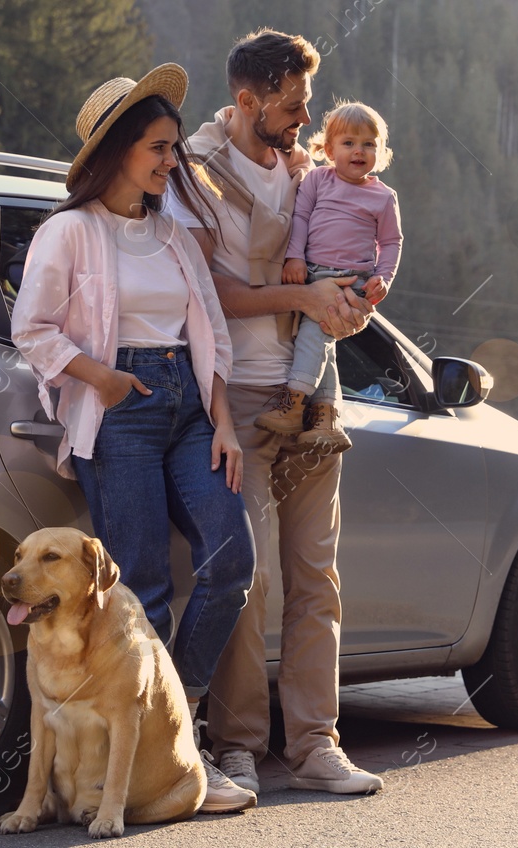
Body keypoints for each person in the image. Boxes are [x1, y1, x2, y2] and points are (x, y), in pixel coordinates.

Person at [11, 63, 257, 814]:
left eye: (175, 149)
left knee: (229, 563)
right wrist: (104, 378)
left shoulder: (177, 237)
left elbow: (211, 330)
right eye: (157, 147)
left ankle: (169, 733)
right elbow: (31, 327)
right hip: (119, 408)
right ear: (118, 150)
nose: (170, 162)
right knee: (140, 585)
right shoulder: (69, 232)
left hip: (189, 405)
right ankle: (172, 758)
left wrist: (222, 420)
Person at [163, 28, 384, 796]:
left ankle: (317, 744)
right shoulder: (195, 171)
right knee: (244, 577)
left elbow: (345, 250)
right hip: (238, 397)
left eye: (308, 104)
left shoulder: (309, 170)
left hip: (313, 398)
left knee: (316, 577)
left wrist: (352, 300)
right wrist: (303, 295)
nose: (305, 117)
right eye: (292, 105)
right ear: (247, 100)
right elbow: (205, 290)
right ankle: (235, 747)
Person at [258, 100, 402, 453]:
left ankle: (293, 404)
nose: (359, 151)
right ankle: (326, 417)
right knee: (324, 346)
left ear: (380, 152)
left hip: (350, 281)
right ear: (328, 149)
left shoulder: (383, 197)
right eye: (349, 143)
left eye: (369, 144)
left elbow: (391, 241)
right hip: (311, 275)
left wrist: (383, 277)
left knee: (313, 335)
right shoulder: (317, 181)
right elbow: (301, 219)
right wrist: (294, 257)